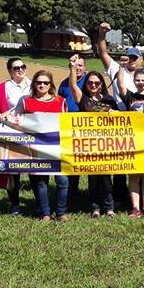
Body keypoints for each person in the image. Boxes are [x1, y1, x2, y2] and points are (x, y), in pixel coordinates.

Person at [8, 70, 69, 221]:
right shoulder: (26, 101)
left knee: (62, 181)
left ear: (51, 85)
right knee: (41, 182)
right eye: (39, 82)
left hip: (57, 147)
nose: (42, 85)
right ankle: (45, 213)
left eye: (45, 83)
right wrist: (5, 115)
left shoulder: (60, 102)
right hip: (35, 148)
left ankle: (61, 212)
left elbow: (67, 124)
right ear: (34, 84)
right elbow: (14, 119)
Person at [68, 55, 118, 218]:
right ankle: (95, 207)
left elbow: (120, 119)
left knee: (106, 178)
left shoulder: (110, 100)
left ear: (102, 84)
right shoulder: (83, 99)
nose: (94, 85)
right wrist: (73, 67)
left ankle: (109, 207)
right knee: (93, 178)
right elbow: (73, 85)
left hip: (107, 144)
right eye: (90, 83)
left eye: (97, 83)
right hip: (89, 144)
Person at [117, 65, 144, 218]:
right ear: (134, 81)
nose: (140, 82)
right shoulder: (130, 97)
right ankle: (135, 208)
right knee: (134, 175)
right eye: (137, 80)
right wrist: (122, 67)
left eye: (143, 80)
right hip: (133, 140)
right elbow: (120, 85)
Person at [0, 58, 30, 215]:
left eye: (22, 66)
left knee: (36, 167)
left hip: (32, 132)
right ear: (10, 71)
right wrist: (0, 113)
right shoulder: (4, 87)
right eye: (16, 68)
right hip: (12, 133)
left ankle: (41, 203)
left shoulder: (34, 84)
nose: (20, 70)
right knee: (13, 169)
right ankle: (14, 203)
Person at [57, 53, 87, 209]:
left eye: (80, 65)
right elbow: (60, 103)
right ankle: (71, 192)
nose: (78, 68)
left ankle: (91, 194)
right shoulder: (64, 83)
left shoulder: (90, 81)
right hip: (69, 127)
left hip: (87, 127)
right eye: (75, 65)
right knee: (71, 160)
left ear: (85, 67)